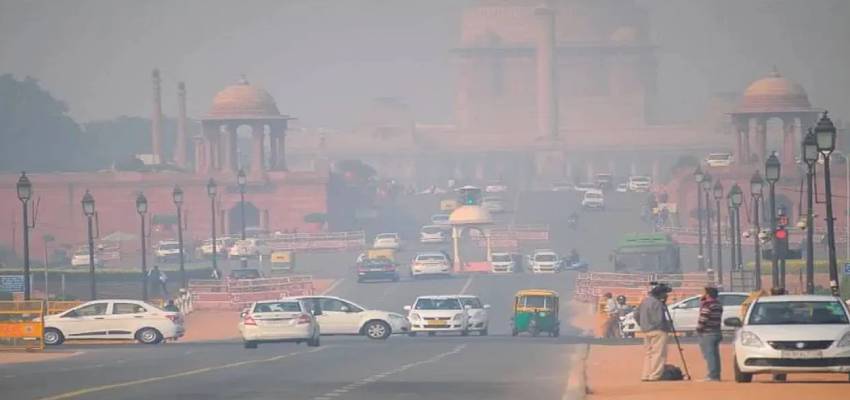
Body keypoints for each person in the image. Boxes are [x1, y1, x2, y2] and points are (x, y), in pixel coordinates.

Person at [634, 284, 670, 381]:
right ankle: (654, 375)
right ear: (660, 294)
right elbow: (659, 319)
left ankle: (645, 375)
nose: (666, 295)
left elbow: (636, 314)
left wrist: (642, 324)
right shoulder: (657, 303)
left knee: (648, 354)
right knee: (658, 354)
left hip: (646, 331)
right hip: (658, 330)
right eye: (664, 293)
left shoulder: (644, 301)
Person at [697, 287, 723, 381]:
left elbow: (703, 318)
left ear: (707, 294)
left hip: (708, 333)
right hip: (716, 331)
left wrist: (699, 329)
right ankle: (716, 374)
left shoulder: (707, 305)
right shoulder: (718, 304)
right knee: (715, 355)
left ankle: (712, 375)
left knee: (709, 355)